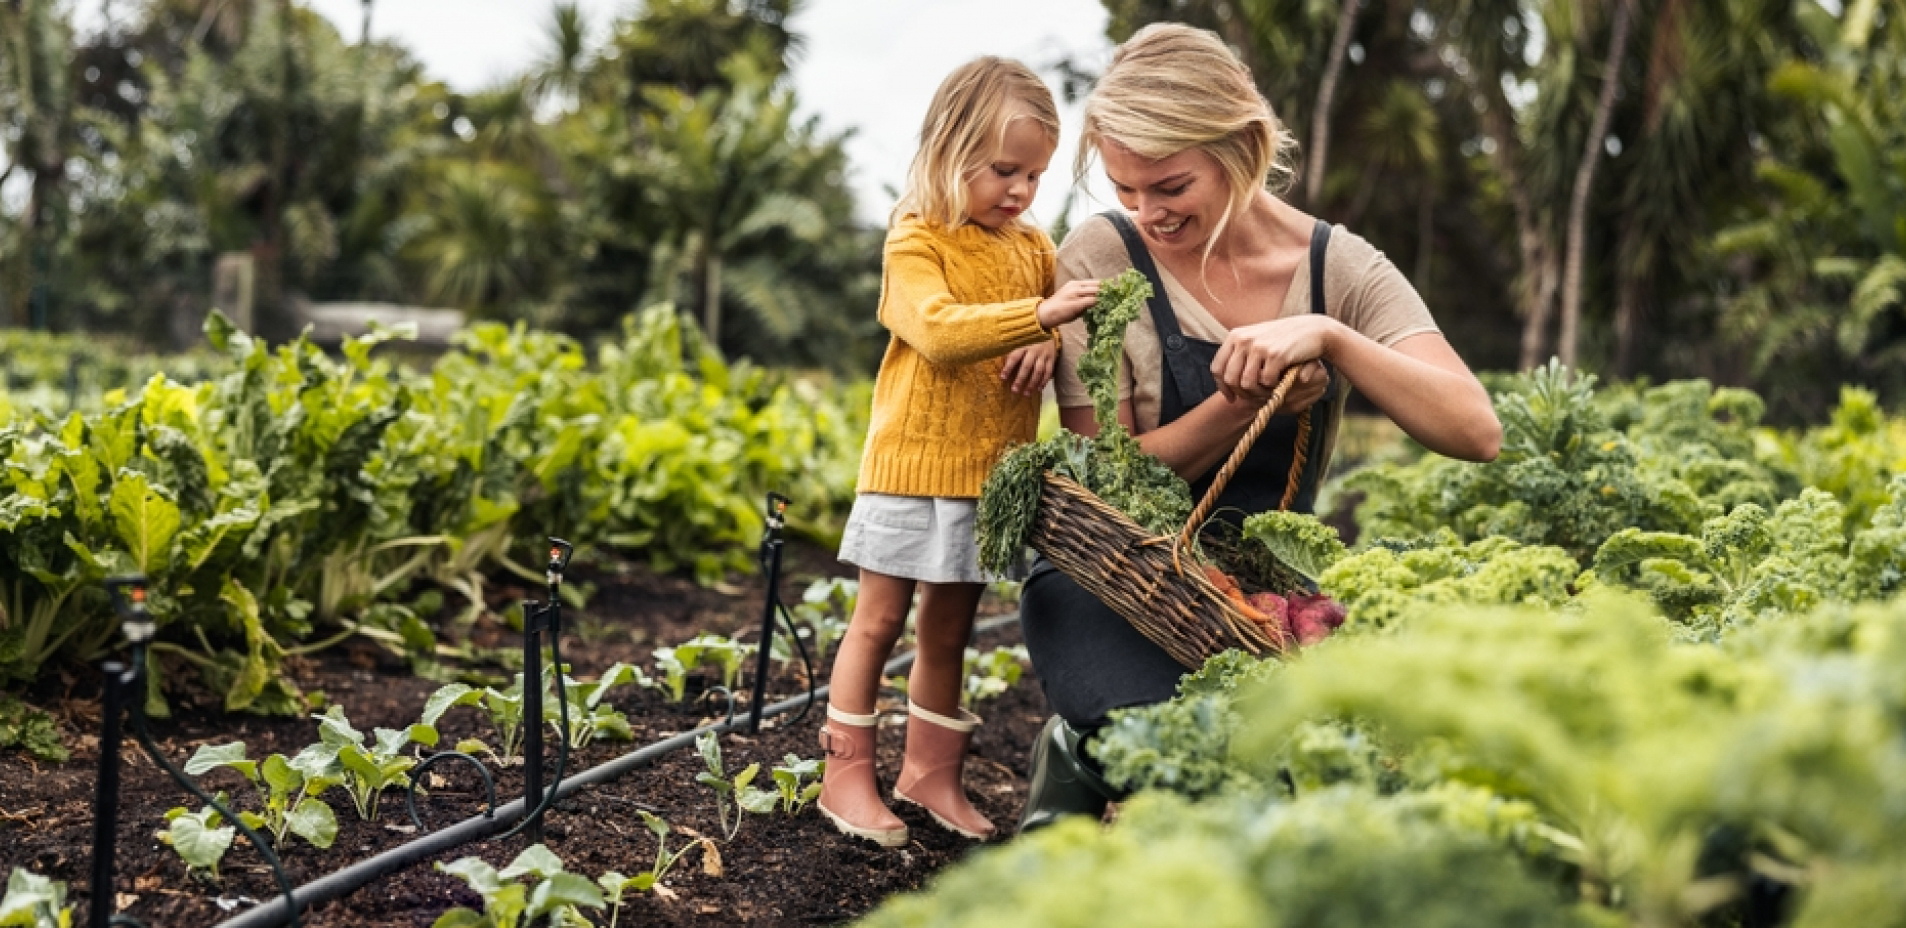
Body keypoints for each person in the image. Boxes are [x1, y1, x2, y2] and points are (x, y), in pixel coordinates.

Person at [1015, 22, 1503, 832]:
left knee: (1340, 762)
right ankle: (1079, 757)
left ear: (1240, 147)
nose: (1148, 212)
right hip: (1116, 579)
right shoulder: (1101, 258)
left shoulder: (1336, 268)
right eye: (1126, 188)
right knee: (1185, 746)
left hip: (1261, 593)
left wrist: (1333, 337)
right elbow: (1105, 484)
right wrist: (1237, 405)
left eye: (1170, 186)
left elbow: (1474, 429)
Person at [816, 56, 1102, 848]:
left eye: (1035, 175)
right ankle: (845, 779)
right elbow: (940, 332)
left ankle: (930, 775)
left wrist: (1047, 339)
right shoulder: (916, 240)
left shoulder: (1032, 246)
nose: (1019, 190)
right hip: (910, 470)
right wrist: (1038, 319)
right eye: (1004, 170)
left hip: (988, 478)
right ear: (949, 150)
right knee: (877, 622)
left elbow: (1050, 329)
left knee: (950, 633)